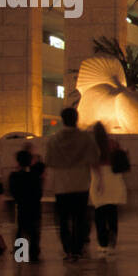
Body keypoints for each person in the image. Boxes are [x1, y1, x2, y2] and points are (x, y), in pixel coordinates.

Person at [44, 107, 100, 261]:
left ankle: (67, 249)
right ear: (76, 118)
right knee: (79, 218)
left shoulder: (53, 140)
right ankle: (77, 249)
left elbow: (48, 162)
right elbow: (94, 160)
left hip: (61, 186)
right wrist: (99, 180)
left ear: (63, 120)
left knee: (63, 220)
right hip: (81, 184)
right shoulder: (86, 139)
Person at [89, 122, 127, 256]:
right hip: (113, 179)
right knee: (112, 213)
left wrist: (99, 180)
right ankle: (112, 242)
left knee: (99, 214)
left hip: (99, 180)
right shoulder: (112, 144)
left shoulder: (93, 146)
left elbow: (93, 164)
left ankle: (102, 243)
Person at [9, 149, 45, 262]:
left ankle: (20, 254)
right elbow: (39, 193)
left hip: (22, 206)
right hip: (34, 207)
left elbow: (13, 192)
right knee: (34, 230)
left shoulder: (14, 176)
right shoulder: (35, 176)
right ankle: (33, 253)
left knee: (21, 229)